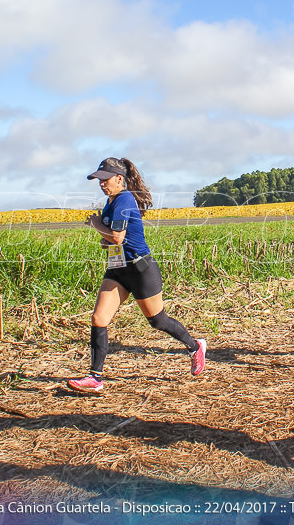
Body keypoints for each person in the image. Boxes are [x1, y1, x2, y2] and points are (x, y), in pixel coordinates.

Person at [67, 157, 207, 394]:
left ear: (119, 179)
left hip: (141, 269)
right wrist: (105, 236)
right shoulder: (111, 202)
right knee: (99, 318)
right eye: (98, 180)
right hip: (118, 270)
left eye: (105, 180)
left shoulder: (124, 200)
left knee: (158, 321)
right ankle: (95, 377)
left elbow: (117, 237)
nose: (101, 184)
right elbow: (114, 241)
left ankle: (195, 347)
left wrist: (96, 224)